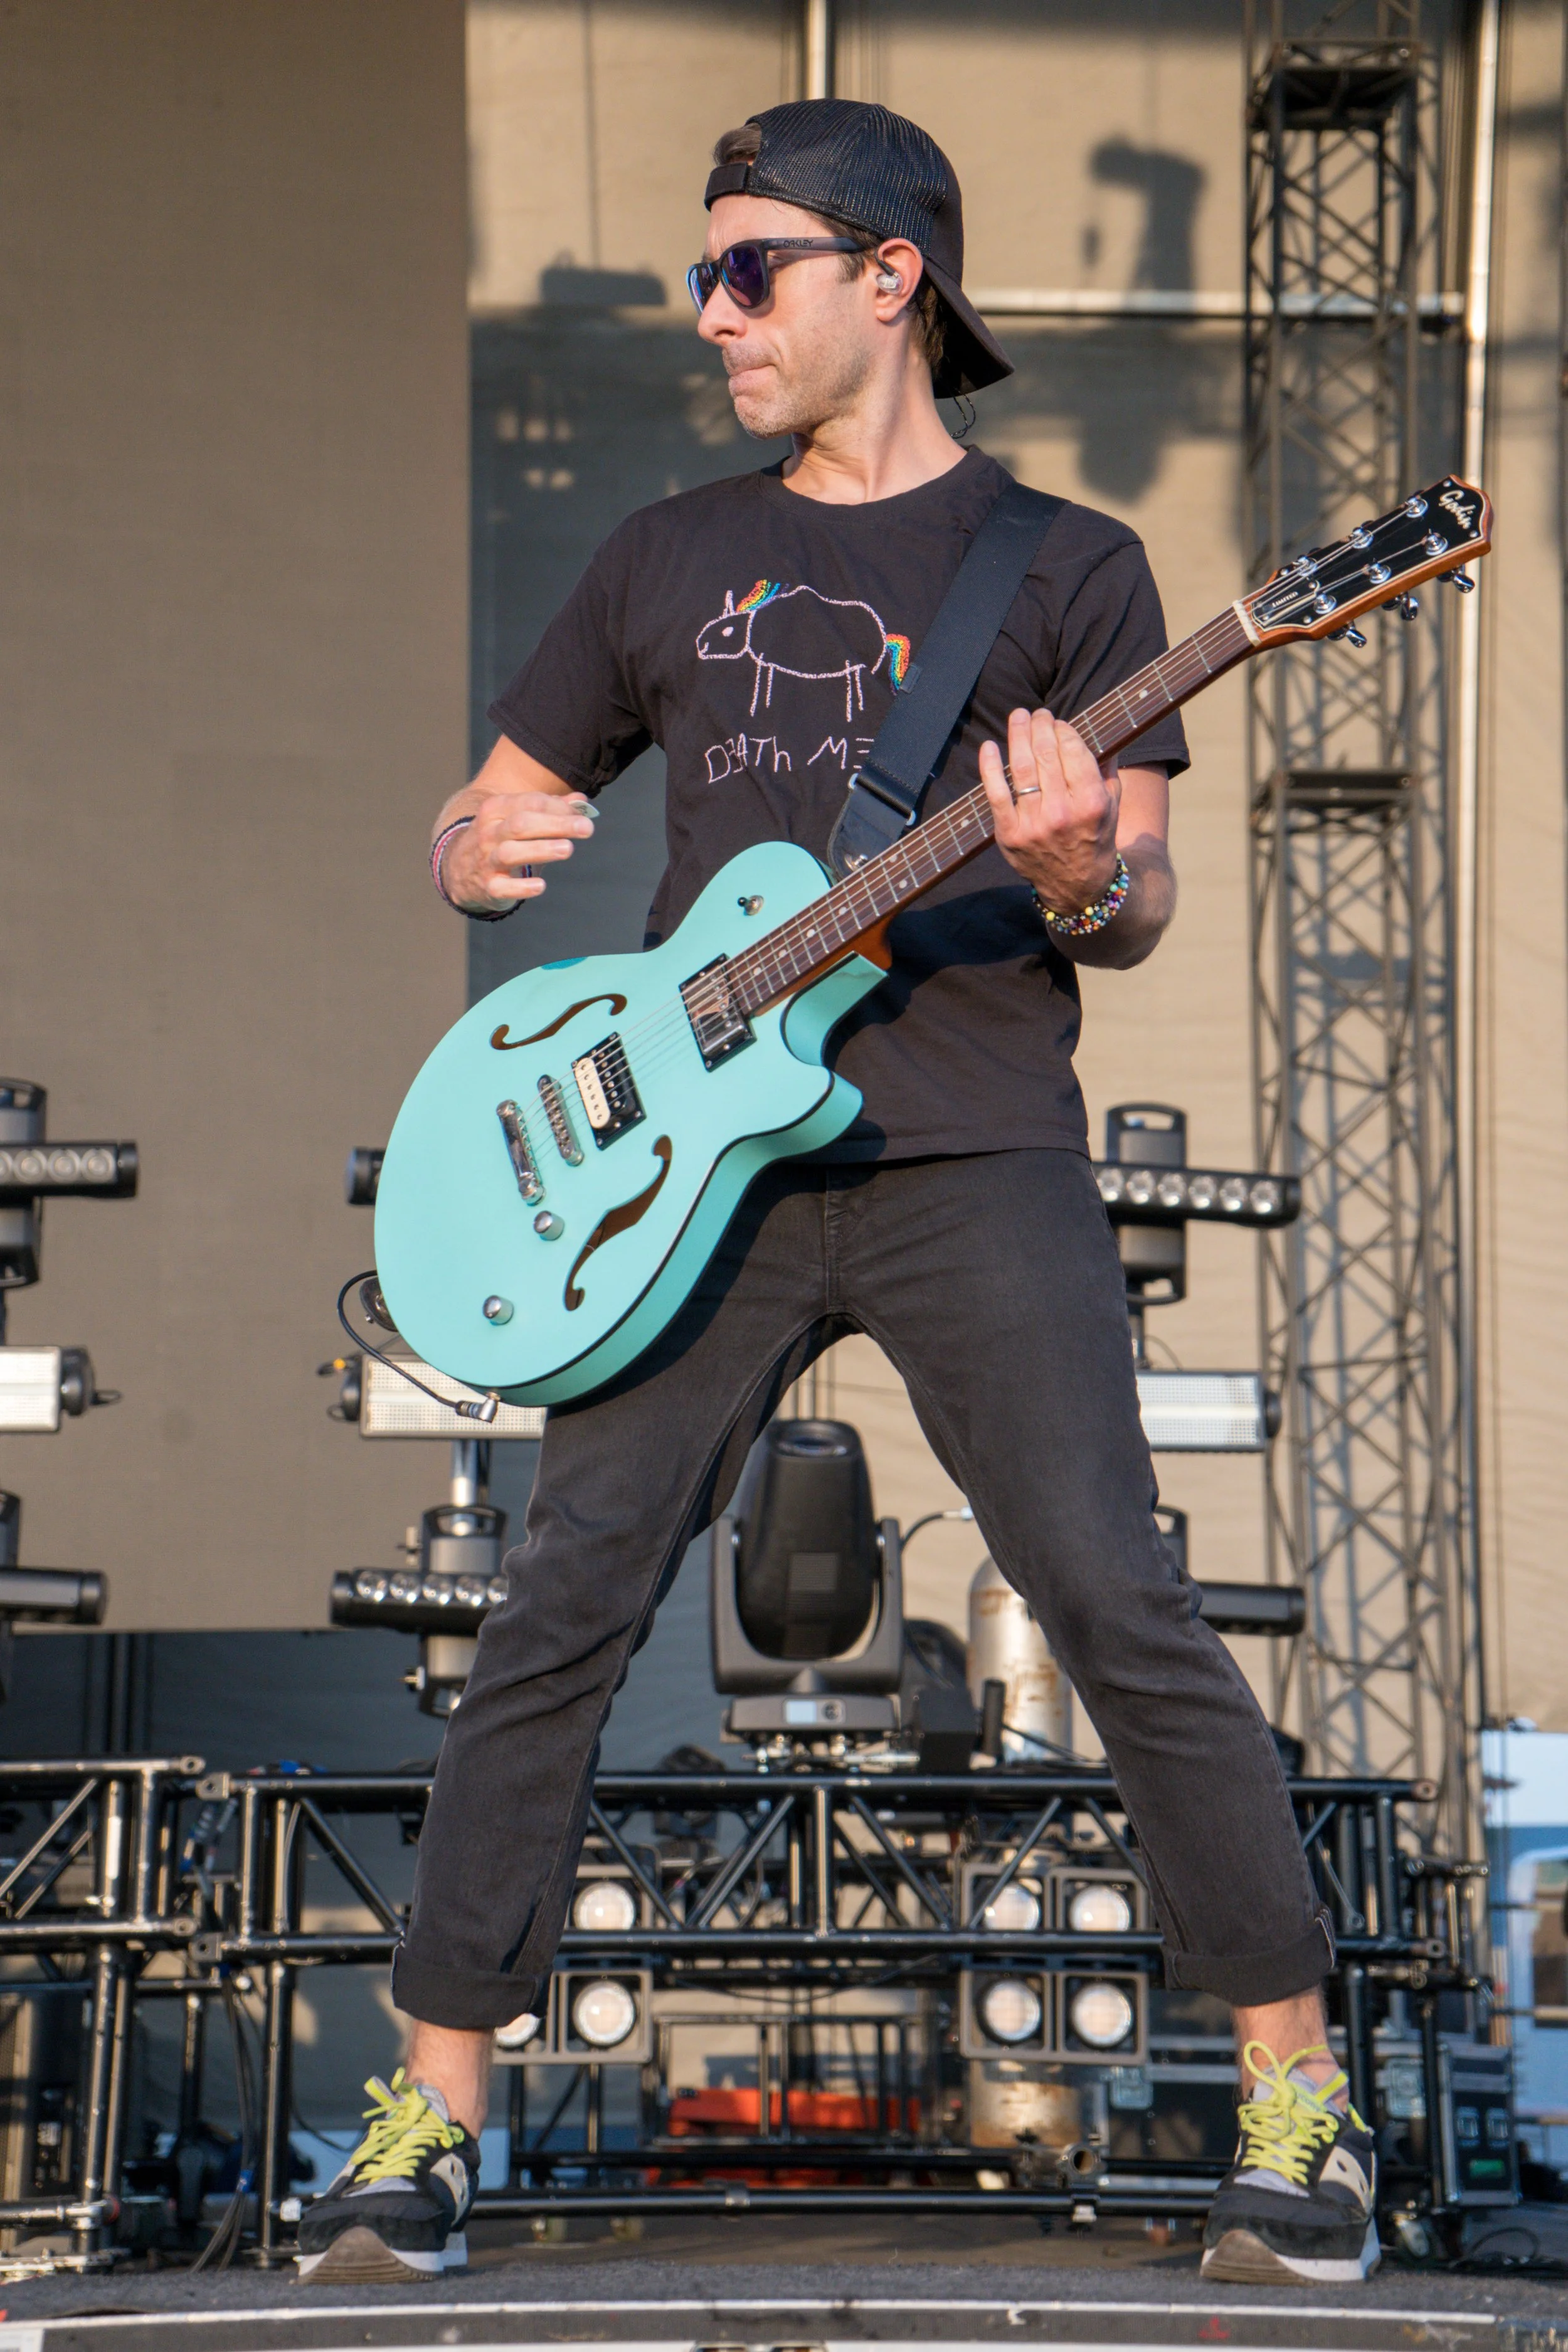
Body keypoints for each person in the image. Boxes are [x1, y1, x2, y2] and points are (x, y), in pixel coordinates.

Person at [298, 99, 1377, 2291]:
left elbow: (1134, 891)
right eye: (706, 274)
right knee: (553, 1620)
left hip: (972, 1145)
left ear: (892, 275)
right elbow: (503, 797)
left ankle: (1297, 2107)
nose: (713, 315)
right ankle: (425, 2120)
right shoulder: (662, 555)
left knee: (1115, 1601)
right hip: (682, 1175)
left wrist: (1079, 860)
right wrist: (464, 844)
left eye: (749, 270)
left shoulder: (1068, 569)